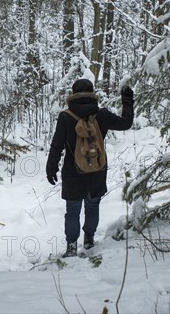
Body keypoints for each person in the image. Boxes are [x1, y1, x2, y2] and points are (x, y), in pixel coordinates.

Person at [46, 79, 134, 257]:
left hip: (73, 173)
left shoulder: (66, 116)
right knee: (93, 207)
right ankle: (89, 240)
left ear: (73, 93)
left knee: (72, 211)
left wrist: (51, 168)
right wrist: (127, 100)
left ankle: (71, 246)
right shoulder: (101, 114)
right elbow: (126, 123)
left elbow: (57, 145)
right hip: (97, 171)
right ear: (92, 93)